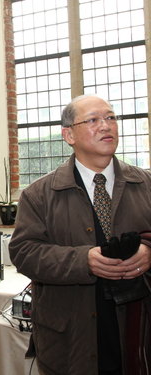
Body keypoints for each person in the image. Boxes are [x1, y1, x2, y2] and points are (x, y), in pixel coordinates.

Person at [9, 94, 151, 375]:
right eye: (93, 120)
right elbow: (24, 253)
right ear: (68, 135)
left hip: (137, 329)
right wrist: (83, 260)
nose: (106, 126)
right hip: (71, 335)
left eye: (110, 117)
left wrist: (148, 251)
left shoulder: (145, 184)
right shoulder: (39, 194)